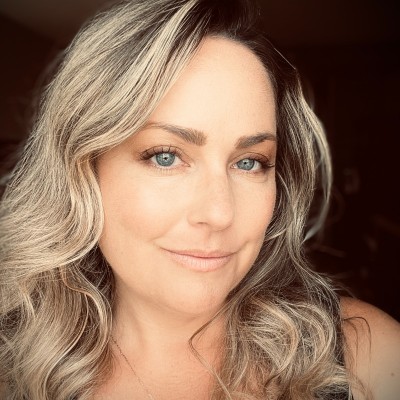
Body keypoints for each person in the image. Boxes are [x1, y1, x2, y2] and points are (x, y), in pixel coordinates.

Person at [0, 0, 399, 399]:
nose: (220, 213)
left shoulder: (368, 359)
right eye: (166, 156)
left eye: (249, 162)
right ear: (82, 170)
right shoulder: (12, 370)